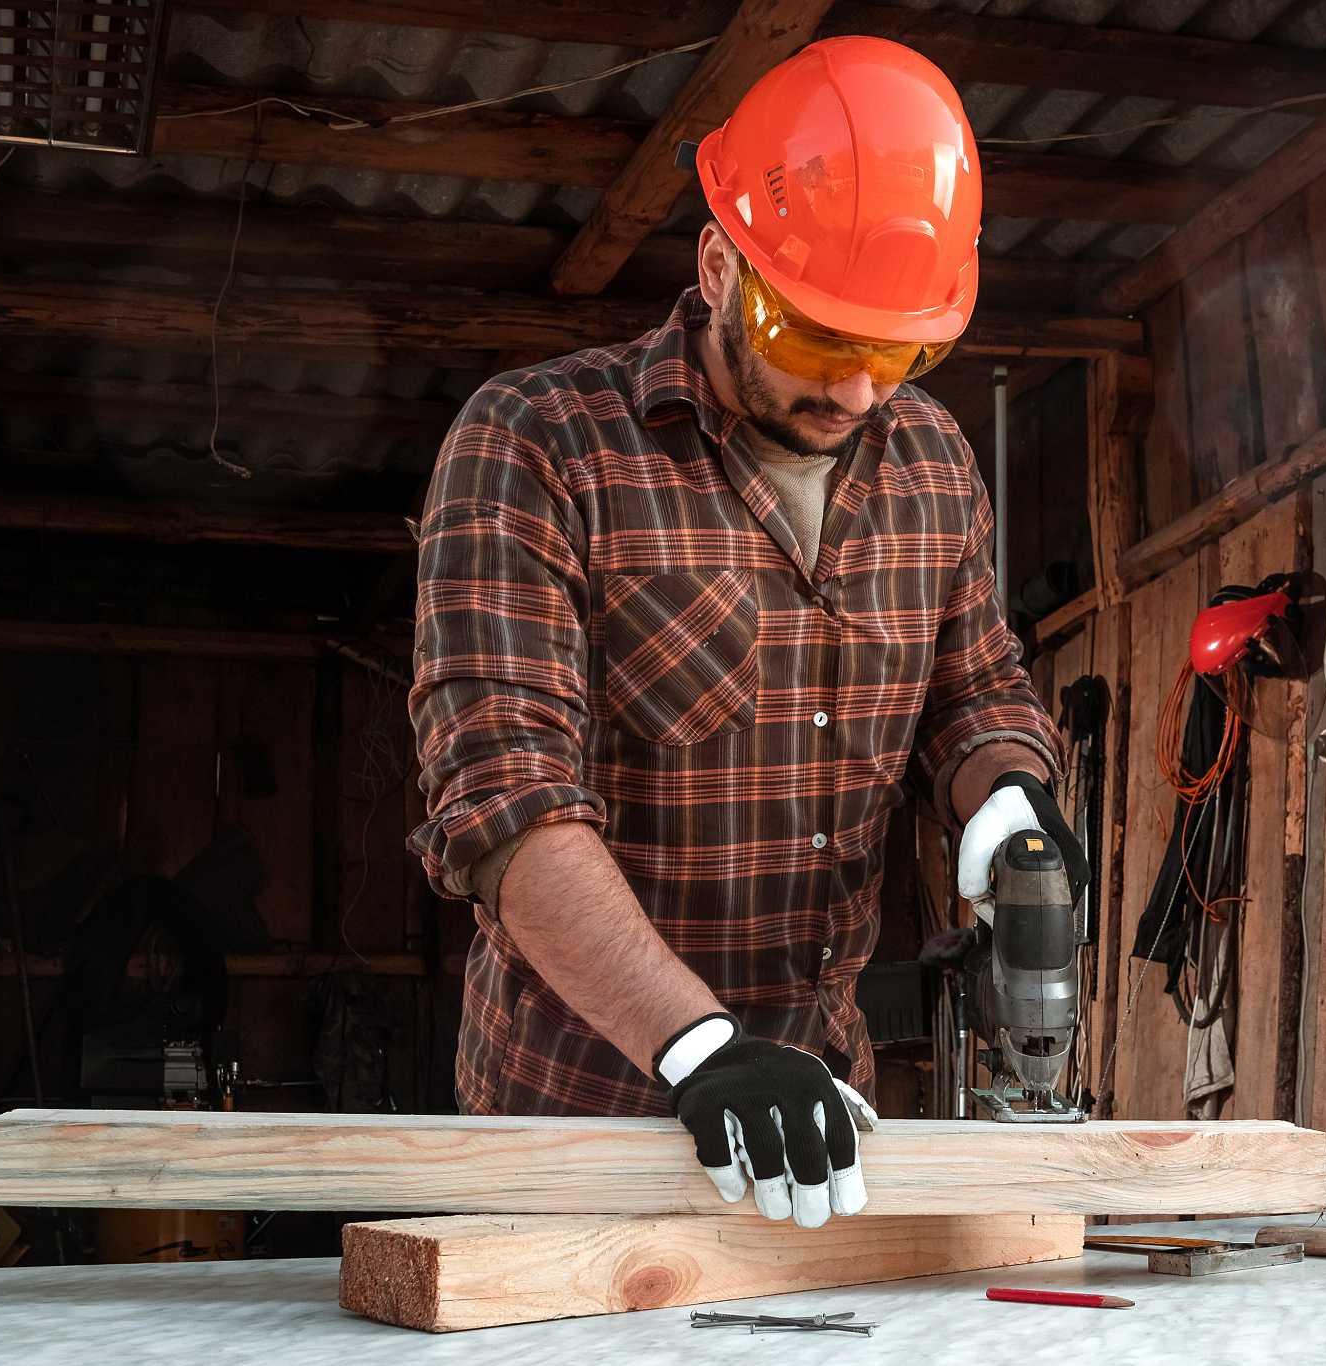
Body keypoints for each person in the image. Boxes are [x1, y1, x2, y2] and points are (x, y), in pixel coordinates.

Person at [407, 36, 1086, 1229]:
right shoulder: (537, 444)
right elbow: (503, 798)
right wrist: (697, 1047)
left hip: (825, 1128)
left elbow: (974, 688)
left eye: (897, 349)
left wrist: (1004, 804)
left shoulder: (930, 462)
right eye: (818, 339)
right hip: (579, 1128)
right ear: (719, 266)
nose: (856, 392)